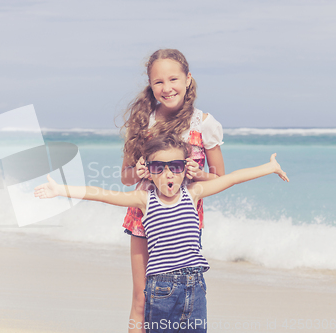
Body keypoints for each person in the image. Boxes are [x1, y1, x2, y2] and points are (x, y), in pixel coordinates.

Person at [34, 134, 289, 333]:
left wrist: (269, 167)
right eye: (159, 167)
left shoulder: (193, 193)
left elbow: (232, 178)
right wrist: (60, 189)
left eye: (175, 166)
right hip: (161, 289)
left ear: (185, 168)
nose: (168, 174)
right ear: (149, 170)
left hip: (195, 286)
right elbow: (100, 194)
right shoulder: (144, 200)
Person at [120, 49, 225, 332]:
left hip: (185, 221)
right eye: (159, 82)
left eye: (173, 79)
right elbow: (126, 178)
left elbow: (218, 177)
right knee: (141, 297)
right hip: (144, 218)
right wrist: (138, 172)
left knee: (186, 294)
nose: (167, 88)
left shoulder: (204, 123)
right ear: (151, 85)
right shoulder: (143, 122)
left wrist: (199, 174)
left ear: (188, 79)